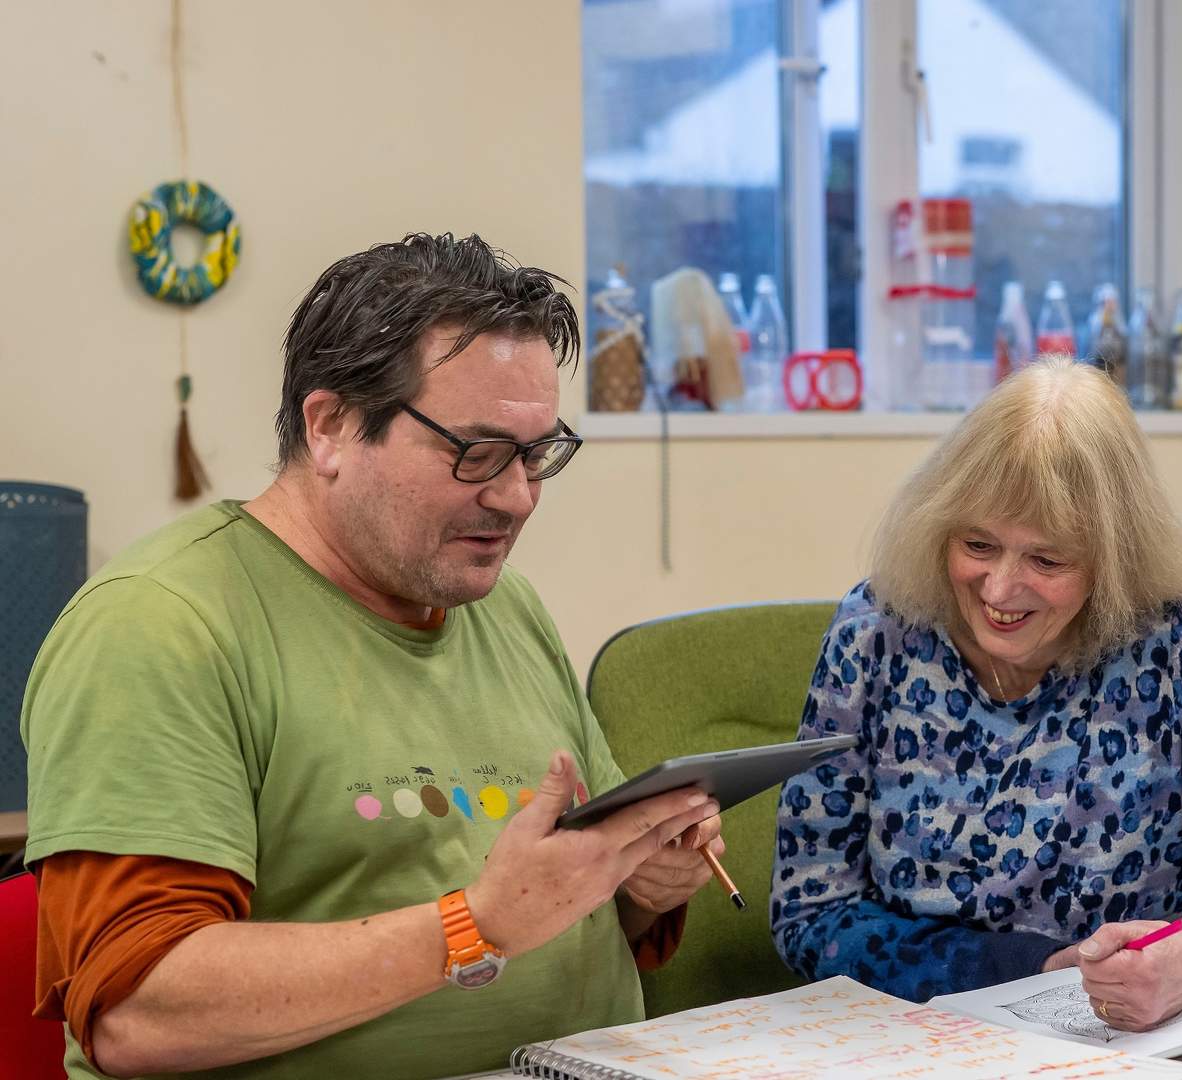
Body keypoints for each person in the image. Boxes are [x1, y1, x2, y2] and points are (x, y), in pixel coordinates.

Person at [21, 234, 724, 1078]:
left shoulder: (504, 603)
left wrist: (641, 880)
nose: (517, 497)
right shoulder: (162, 625)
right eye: (476, 452)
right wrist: (476, 926)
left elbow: (572, 902)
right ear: (331, 427)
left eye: (536, 454)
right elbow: (136, 1014)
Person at [772, 358, 1182, 1031]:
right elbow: (810, 911)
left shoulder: (1172, 639)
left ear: (1112, 561)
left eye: (1046, 560)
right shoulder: (876, 632)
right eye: (977, 544)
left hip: (1132, 1042)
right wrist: (1035, 967)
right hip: (919, 1036)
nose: (998, 589)